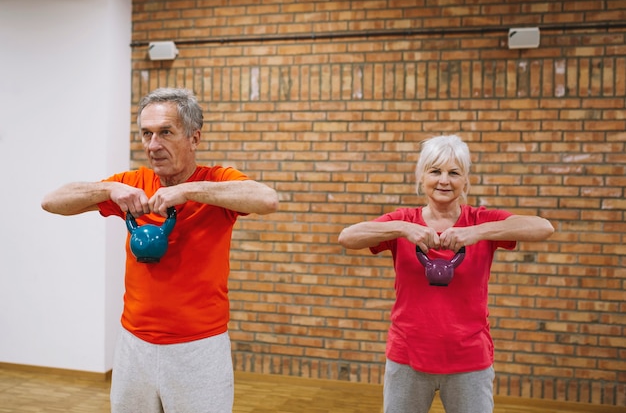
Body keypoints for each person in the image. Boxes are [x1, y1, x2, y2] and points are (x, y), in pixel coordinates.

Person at [41, 87, 279, 413]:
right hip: (133, 344)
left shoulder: (215, 181)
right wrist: (110, 188)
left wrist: (188, 190)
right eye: (146, 134)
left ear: (194, 138)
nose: (154, 145)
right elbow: (52, 201)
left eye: (165, 132)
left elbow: (267, 199)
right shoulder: (132, 184)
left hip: (198, 348)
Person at [338, 135, 554, 413]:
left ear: (465, 181)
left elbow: (543, 227)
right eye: (435, 171)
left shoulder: (480, 220)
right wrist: (403, 229)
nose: (444, 180)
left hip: (469, 360)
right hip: (407, 357)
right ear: (421, 177)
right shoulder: (403, 221)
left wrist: (477, 233)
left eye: (454, 173)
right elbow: (347, 237)